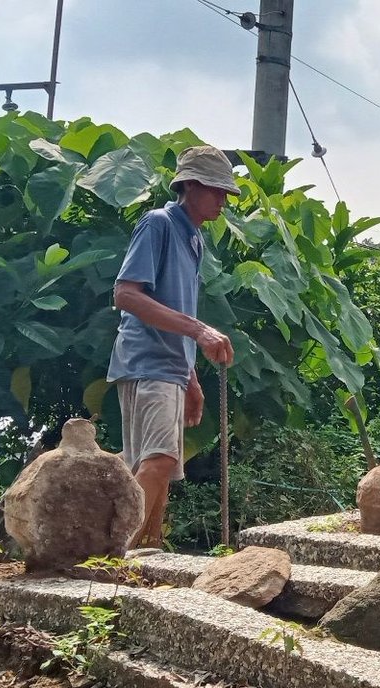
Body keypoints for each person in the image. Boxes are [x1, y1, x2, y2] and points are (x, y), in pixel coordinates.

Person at [107, 146, 237, 549]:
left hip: (170, 367)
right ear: (191, 186)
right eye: (216, 190)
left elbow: (176, 308)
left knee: (162, 466)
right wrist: (200, 331)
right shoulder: (158, 223)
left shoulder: (194, 239)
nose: (222, 200)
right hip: (146, 362)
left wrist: (191, 378)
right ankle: (114, 557)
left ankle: (146, 550)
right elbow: (126, 294)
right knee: (159, 459)